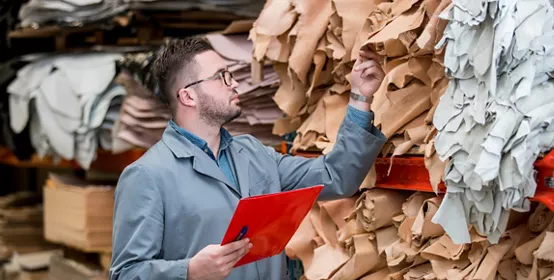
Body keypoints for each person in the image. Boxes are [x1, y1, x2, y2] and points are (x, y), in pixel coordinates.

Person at [109, 36, 386, 280]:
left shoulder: (254, 154)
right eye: (222, 77)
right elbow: (126, 273)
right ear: (188, 96)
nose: (235, 83)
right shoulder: (147, 175)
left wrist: (359, 98)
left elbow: (336, 177)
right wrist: (189, 272)